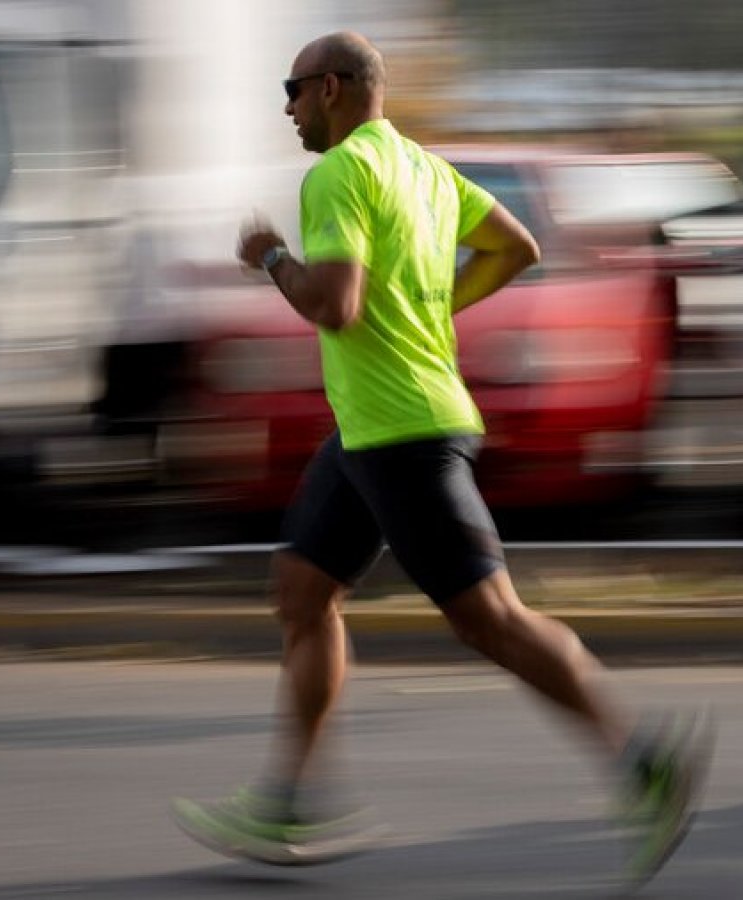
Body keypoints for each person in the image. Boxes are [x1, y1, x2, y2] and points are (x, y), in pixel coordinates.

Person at [173, 31, 707, 885]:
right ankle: (288, 800)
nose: (287, 107)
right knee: (302, 594)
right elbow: (516, 248)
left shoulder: (339, 173)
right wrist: (432, 310)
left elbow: (337, 305)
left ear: (337, 88)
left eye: (295, 88)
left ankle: (644, 762)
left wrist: (270, 257)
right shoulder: (424, 169)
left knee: (490, 620)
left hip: (401, 432)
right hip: (368, 431)